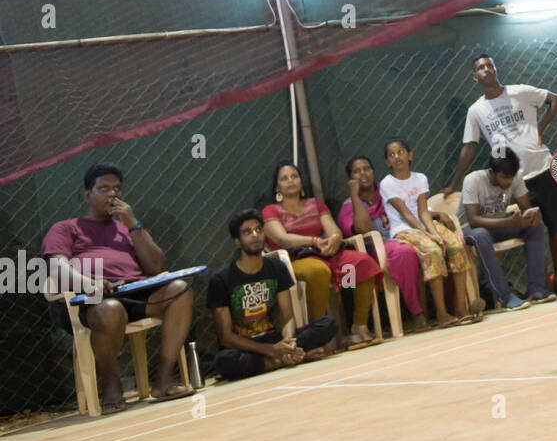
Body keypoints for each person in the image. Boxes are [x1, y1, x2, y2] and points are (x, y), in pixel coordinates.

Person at [40, 164, 195, 412]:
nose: (112, 195)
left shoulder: (128, 230)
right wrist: (89, 284)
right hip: (93, 300)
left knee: (180, 290)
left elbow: (155, 266)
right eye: (104, 188)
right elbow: (57, 268)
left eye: (117, 189)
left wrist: (133, 223)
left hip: (134, 294)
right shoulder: (66, 228)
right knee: (110, 309)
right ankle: (111, 386)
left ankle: (164, 380)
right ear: (88, 195)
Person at [442, 53, 557, 296]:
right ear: (475, 77)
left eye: (489, 65)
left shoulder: (520, 92)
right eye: (481, 67)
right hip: (511, 181)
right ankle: (539, 286)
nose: (486, 69)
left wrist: (541, 128)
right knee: (526, 227)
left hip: (543, 169)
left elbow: (555, 100)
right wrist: (453, 183)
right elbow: (469, 146)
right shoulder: (476, 110)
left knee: (556, 226)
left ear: (496, 69)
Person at [261, 161, 384, 349]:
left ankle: (358, 327)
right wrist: (313, 241)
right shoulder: (271, 210)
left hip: (326, 255)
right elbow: (282, 238)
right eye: (284, 179)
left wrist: (334, 240)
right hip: (295, 260)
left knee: (360, 263)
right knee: (318, 272)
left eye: (294, 176)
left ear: (301, 181)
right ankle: (319, 334)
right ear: (277, 186)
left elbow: (333, 230)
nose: (290, 181)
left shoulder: (316, 205)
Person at [210, 210, 338, 381]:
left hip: (273, 339)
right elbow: (226, 337)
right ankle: (290, 359)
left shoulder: (276, 267)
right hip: (246, 347)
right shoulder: (221, 279)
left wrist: (288, 343)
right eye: (247, 232)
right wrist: (271, 351)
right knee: (224, 361)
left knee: (328, 323)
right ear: (237, 242)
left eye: (258, 230)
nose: (255, 235)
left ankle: (284, 357)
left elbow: (287, 316)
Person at [380, 140, 476, 327]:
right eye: (392, 155)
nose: (397, 157)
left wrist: (435, 233)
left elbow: (423, 212)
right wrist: (428, 236)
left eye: (400, 152)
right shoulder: (387, 183)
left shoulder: (420, 178)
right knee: (432, 251)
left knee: (455, 245)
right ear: (387, 162)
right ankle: (441, 313)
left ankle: (461, 308)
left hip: (425, 225)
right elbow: (406, 214)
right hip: (404, 230)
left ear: (410, 155)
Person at [337, 156, 434, 333]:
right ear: (350, 179)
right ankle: (417, 313)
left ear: (373, 171)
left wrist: (436, 216)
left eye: (366, 169)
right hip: (376, 250)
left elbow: (413, 209)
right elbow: (363, 228)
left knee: (430, 247)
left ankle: (444, 309)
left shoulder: (387, 190)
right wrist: (354, 196)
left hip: (404, 236)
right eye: (356, 172)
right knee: (403, 252)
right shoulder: (349, 204)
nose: (363, 174)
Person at [459, 147, 553, 310]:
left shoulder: (515, 178)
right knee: (481, 235)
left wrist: (532, 216)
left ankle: (536, 289)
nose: (509, 182)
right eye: (504, 178)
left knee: (535, 227)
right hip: (469, 231)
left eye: (511, 177)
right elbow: (473, 221)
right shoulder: (473, 180)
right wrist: (510, 222)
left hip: (499, 226)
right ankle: (505, 297)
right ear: (491, 172)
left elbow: (525, 208)